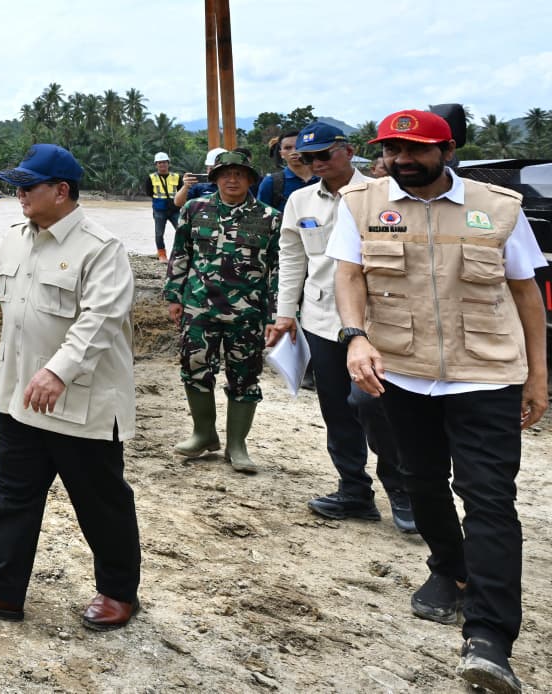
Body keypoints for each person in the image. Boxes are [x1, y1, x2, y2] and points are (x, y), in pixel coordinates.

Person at [329, 109, 548, 694]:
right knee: (420, 483)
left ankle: (489, 638)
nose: (403, 160)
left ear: (447, 151)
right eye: (393, 150)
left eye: (417, 150)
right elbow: (349, 276)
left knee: (490, 500)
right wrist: (356, 337)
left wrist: (538, 376)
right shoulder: (361, 204)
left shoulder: (498, 206)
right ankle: (450, 569)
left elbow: (526, 292)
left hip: (486, 375)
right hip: (402, 374)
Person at [0, 144, 142, 631]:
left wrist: (59, 370)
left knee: (100, 500)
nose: (19, 194)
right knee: (12, 494)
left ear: (62, 191)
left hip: (80, 401)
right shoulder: (17, 237)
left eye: (28, 186)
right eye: (17, 186)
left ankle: (118, 592)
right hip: (18, 396)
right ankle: (0, 588)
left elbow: (102, 319)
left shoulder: (101, 248)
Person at [264, 121, 414, 532]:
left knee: (376, 407)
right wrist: (285, 313)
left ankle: (402, 491)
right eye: (307, 157)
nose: (316, 163)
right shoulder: (299, 201)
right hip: (322, 320)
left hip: (376, 322)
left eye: (324, 155)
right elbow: (292, 258)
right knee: (337, 410)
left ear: (348, 152)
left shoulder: (383, 195)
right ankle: (354, 491)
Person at [164, 151, 280, 474]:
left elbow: (278, 269)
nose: (232, 179)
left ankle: (237, 445)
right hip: (198, 306)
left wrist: (275, 314)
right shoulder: (194, 209)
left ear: (250, 180)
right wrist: (174, 296)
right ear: (215, 178)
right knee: (194, 366)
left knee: (245, 375)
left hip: (248, 311)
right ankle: (203, 434)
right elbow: (180, 254)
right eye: (226, 174)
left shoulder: (270, 217)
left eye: (239, 174)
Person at [257, 129, 318, 212]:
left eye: (298, 146)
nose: (294, 151)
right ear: (281, 154)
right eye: (288, 148)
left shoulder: (324, 178)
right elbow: (260, 214)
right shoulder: (271, 182)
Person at [145, 151, 182, 262]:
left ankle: (181, 253)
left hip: (175, 209)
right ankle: (162, 255)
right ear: (156, 164)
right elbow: (149, 192)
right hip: (159, 209)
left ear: (168, 163)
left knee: (182, 230)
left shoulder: (176, 177)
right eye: (159, 163)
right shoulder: (151, 178)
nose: (162, 165)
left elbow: (181, 191)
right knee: (159, 233)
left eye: (164, 162)